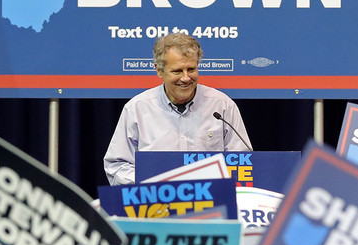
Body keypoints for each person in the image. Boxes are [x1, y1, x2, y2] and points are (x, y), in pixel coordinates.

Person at [103, 33, 251, 185]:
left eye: (191, 69)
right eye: (177, 71)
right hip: (156, 202)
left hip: (212, 201)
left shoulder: (223, 106)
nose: (186, 78)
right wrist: (150, 184)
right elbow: (117, 166)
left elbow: (243, 163)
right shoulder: (137, 109)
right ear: (159, 70)